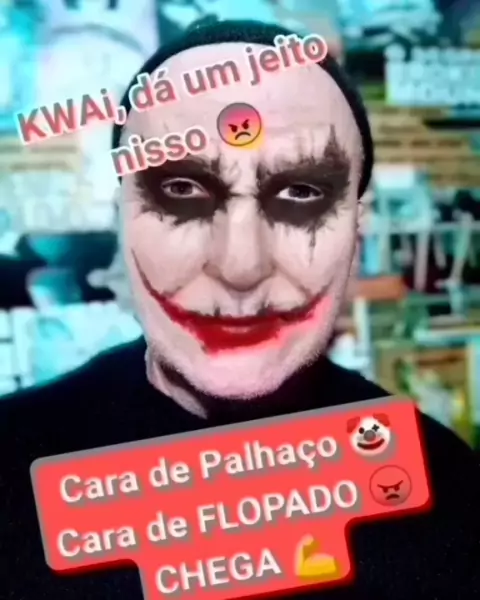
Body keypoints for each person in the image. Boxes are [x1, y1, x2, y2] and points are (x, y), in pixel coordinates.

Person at [1, 19, 479, 600]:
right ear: (120, 216)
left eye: (301, 193)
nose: (241, 265)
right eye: (181, 190)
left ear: (358, 228)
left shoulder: (450, 491)